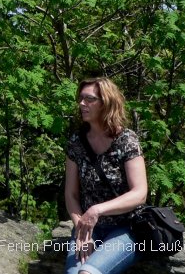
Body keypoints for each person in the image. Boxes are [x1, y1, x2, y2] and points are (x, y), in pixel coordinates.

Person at [64, 77, 147, 274]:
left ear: (106, 103)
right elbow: (71, 195)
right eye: (81, 98)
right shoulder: (76, 142)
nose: (82, 103)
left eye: (89, 99)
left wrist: (97, 210)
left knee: (88, 273)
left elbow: (140, 193)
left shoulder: (126, 140)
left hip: (127, 229)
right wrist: (82, 230)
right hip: (89, 229)